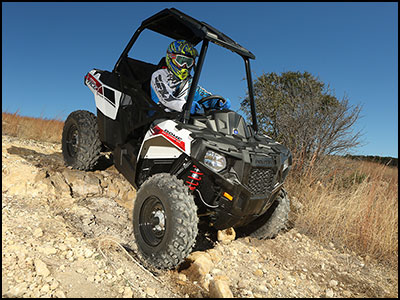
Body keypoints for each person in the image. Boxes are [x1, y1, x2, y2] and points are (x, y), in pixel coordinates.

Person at [150, 40, 231, 115]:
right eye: (181, 61)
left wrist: (218, 102)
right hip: (157, 118)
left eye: (188, 62)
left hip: (179, 120)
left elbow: (203, 95)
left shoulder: (188, 82)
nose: (184, 66)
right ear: (171, 58)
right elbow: (166, 98)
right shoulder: (159, 75)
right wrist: (185, 105)